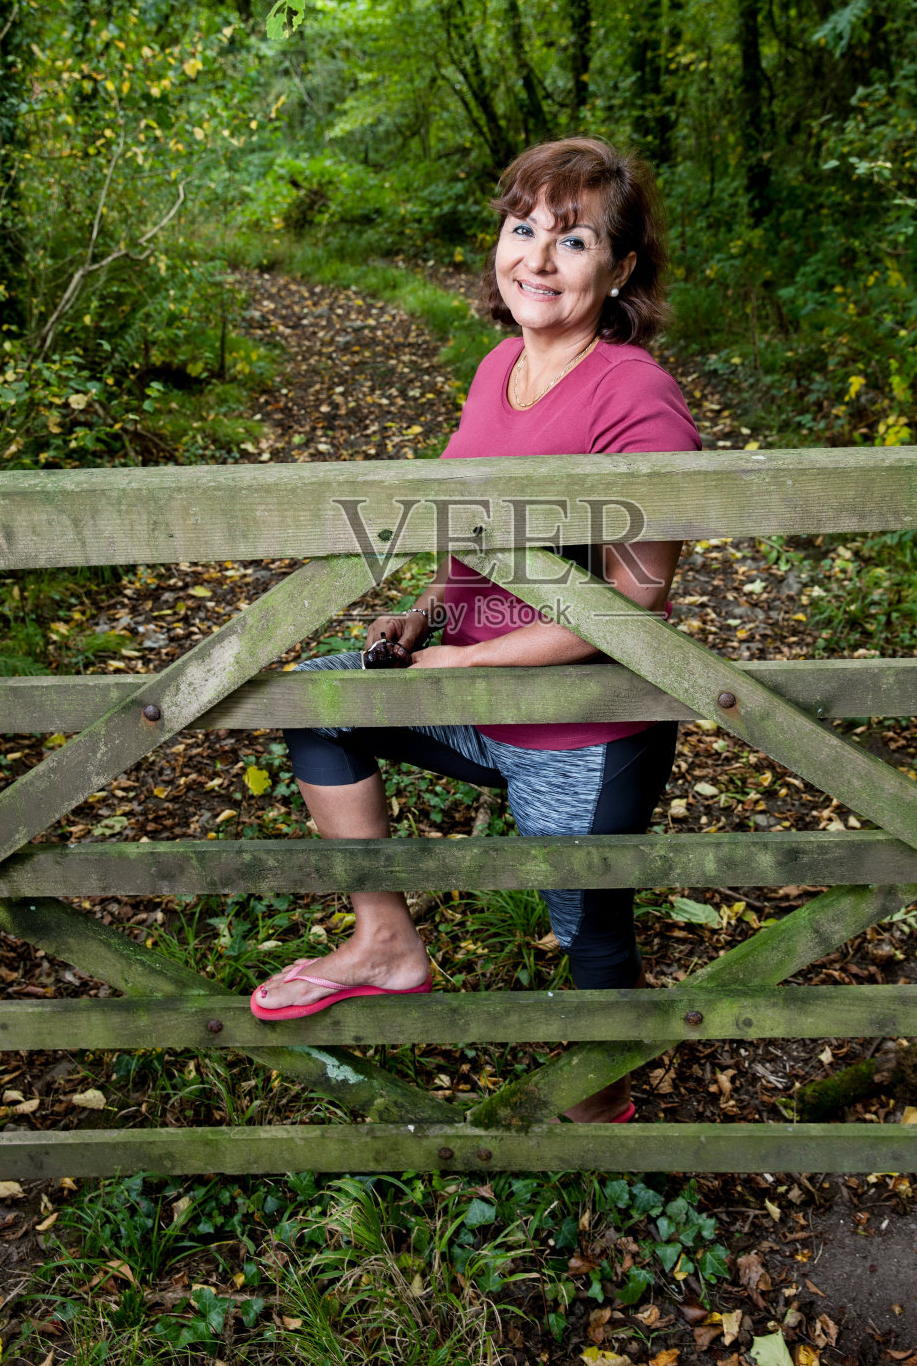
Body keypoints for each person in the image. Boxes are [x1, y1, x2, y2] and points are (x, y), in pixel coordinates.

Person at [249, 136, 701, 1123]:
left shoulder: (633, 392)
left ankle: (602, 1125)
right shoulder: (498, 364)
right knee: (317, 705)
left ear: (620, 269)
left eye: (572, 240)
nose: (535, 258)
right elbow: (473, 541)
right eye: (522, 228)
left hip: (582, 727)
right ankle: (384, 943)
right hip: (470, 683)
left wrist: (474, 657)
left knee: (589, 936)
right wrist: (422, 616)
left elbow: (635, 600)